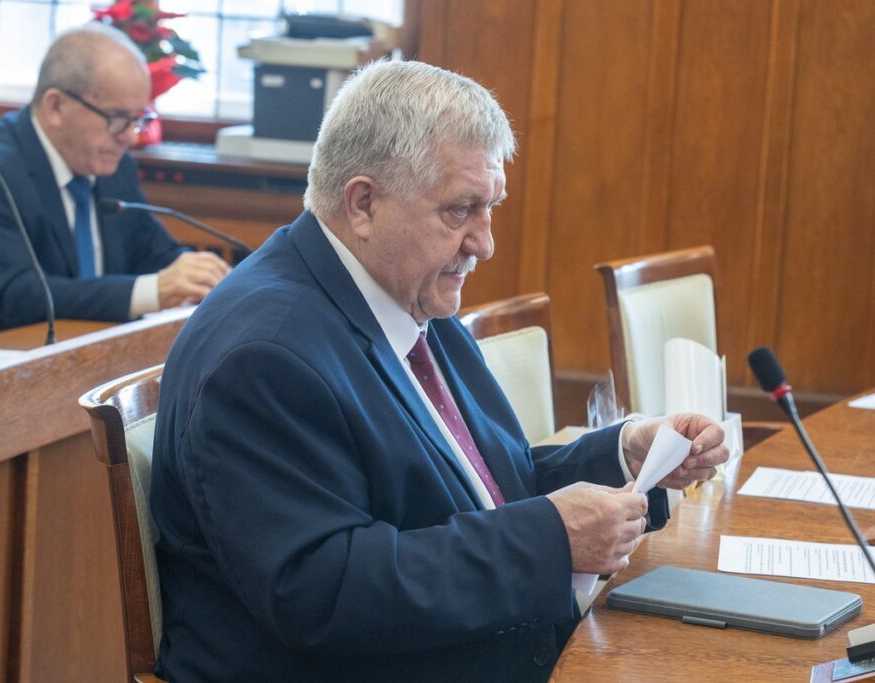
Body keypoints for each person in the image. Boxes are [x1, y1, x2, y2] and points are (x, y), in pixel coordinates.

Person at [151, 60, 728, 681]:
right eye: (461, 210)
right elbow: (321, 589)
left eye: (492, 208)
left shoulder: (409, 296)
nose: (485, 243)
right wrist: (549, 540)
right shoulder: (266, 356)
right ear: (364, 203)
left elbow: (488, 487)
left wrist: (620, 459)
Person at [0, 23, 229, 344]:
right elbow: (22, 296)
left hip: (54, 360)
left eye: (139, 119)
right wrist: (154, 290)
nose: (130, 137)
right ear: (55, 106)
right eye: (118, 118)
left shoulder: (109, 160)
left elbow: (154, 254)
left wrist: (200, 277)